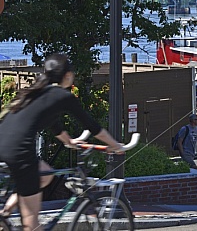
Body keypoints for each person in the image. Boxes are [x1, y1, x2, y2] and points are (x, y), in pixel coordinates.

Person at [0, 53, 123, 231]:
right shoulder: (62, 96)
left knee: (46, 173)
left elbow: (54, 126)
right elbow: (93, 126)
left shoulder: (36, 92)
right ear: (67, 75)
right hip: (19, 151)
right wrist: (115, 145)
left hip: (4, 143)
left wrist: (69, 142)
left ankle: (5, 214)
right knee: (32, 224)